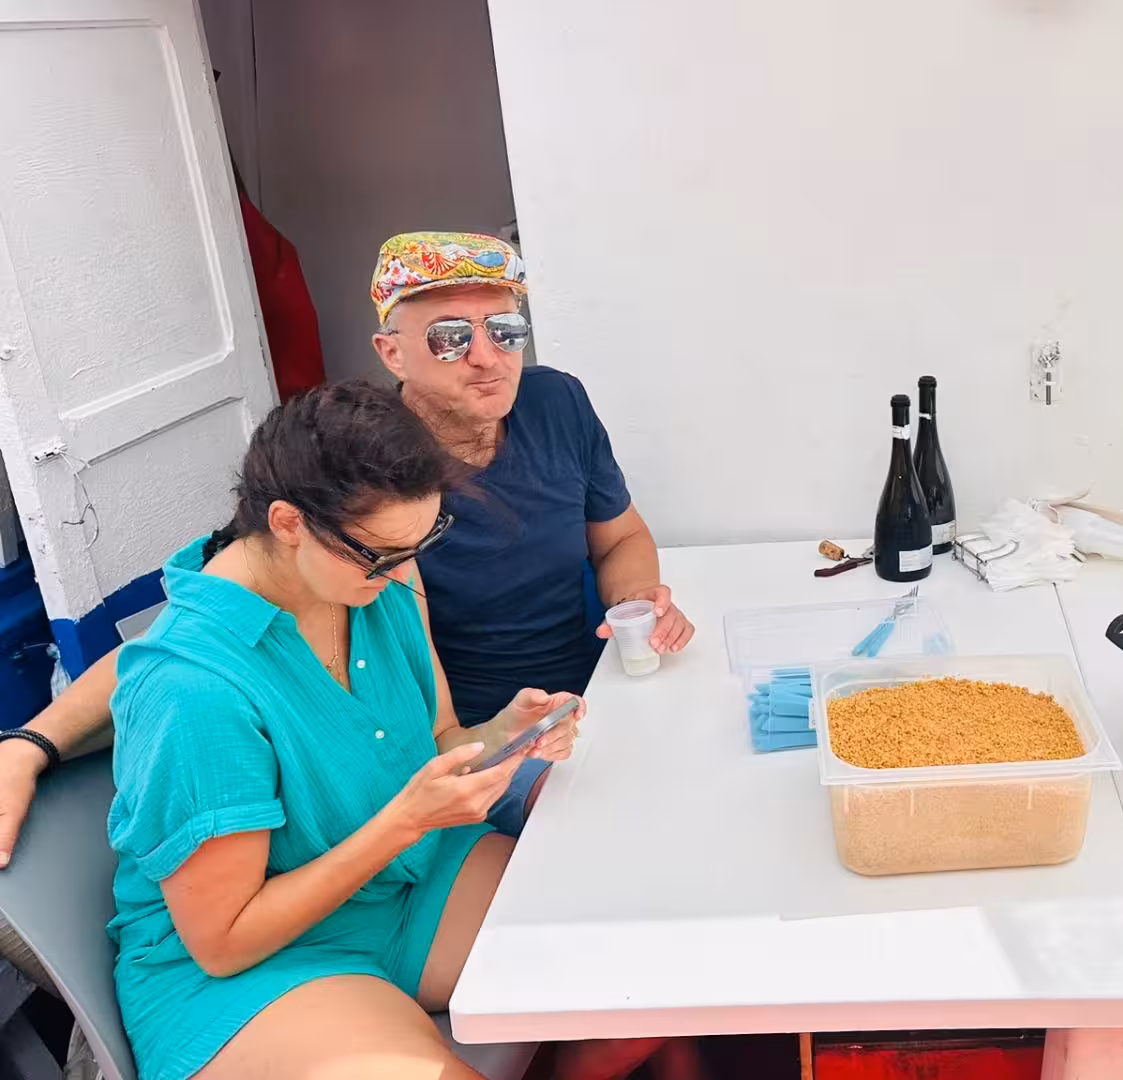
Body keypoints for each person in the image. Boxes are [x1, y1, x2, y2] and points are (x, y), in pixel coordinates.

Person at [0, 230, 693, 853]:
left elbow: (622, 536)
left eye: (505, 330)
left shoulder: (556, 401)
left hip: (601, 693)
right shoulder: (364, 466)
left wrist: (635, 607)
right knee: (626, 839)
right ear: (391, 352)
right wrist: (34, 742)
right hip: (479, 742)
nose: (487, 359)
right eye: (450, 337)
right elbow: (212, 621)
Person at [105, 381, 686, 1079]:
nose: (400, 570)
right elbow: (225, 940)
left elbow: (440, 734)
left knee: (659, 963)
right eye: (379, 554)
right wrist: (408, 822)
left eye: (421, 540)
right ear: (289, 522)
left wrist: (508, 730)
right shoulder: (191, 690)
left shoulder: (379, 574)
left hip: (400, 882)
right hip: (256, 967)